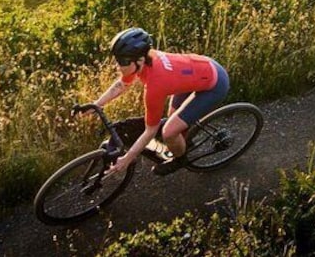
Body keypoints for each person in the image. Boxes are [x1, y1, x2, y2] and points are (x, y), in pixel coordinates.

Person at [91, 27, 230, 176]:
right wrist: (96, 104)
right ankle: (185, 143)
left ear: (140, 60)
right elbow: (122, 85)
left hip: (215, 85)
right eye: (117, 60)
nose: (118, 65)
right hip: (197, 71)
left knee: (169, 132)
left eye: (123, 61)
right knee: (172, 117)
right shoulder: (142, 62)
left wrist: (127, 159)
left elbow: (150, 131)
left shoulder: (155, 85)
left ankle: (180, 159)